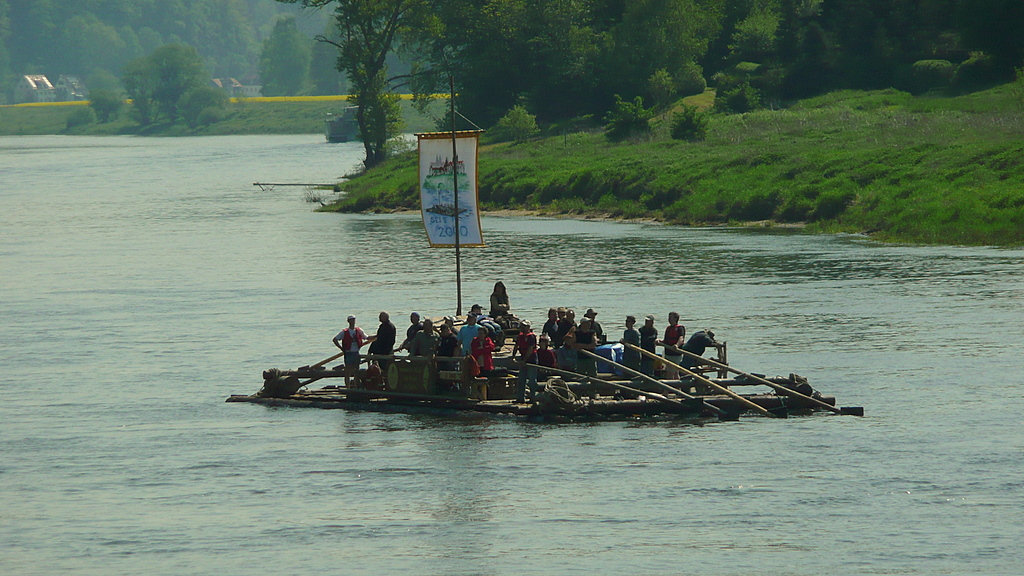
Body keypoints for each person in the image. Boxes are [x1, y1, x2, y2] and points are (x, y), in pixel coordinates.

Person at [333, 315, 367, 385]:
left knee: (356, 371)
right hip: (348, 353)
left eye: (354, 320)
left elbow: (367, 337)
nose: (353, 321)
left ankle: (356, 385)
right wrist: (341, 348)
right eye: (351, 320)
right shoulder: (344, 332)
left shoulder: (359, 330)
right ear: (348, 321)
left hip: (356, 353)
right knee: (347, 372)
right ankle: (348, 387)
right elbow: (335, 339)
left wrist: (376, 336)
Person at [512, 321, 539, 402]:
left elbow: (530, 349)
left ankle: (533, 397)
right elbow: (516, 346)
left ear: (528, 327)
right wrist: (513, 357)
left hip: (531, 359)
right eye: (521, 326)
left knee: (532, 380)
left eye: (524, 326)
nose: (522, 328)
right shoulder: (519, 336)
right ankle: (520, 398)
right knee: (521, 379)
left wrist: (524, 360)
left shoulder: (531, 337)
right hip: (523, 358)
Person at [656, 311, 686, 379]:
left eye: (670, 318)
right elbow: (665, 341)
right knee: (675, 372)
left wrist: (677, 345)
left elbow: (681, 338)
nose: (669, 319)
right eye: (668, 317)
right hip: (668, 354)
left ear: (675, 319)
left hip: (676, 354)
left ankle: (670, 388)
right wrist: (659, 341)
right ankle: (677, 387)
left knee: (670, 373)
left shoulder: (680, 328)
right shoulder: (668, 328)